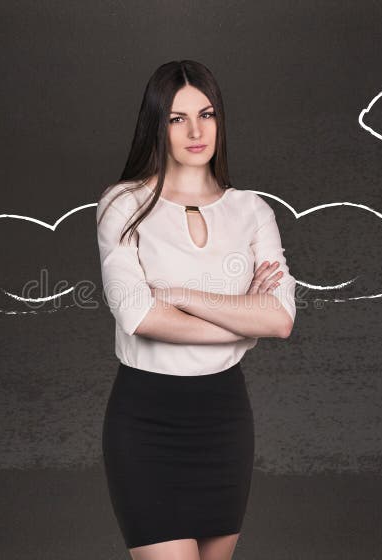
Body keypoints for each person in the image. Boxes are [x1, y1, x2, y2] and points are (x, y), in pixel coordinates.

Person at [96, 60, 296, 560]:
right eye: (177, 118)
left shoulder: (252, 210)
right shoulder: (124, 204)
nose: (195, 130)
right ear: (156, 124)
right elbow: (138, 317)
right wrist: (242, 326)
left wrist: (182, 296)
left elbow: (280, 318)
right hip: (146, 420)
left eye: (206, 114)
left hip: (224, 419)